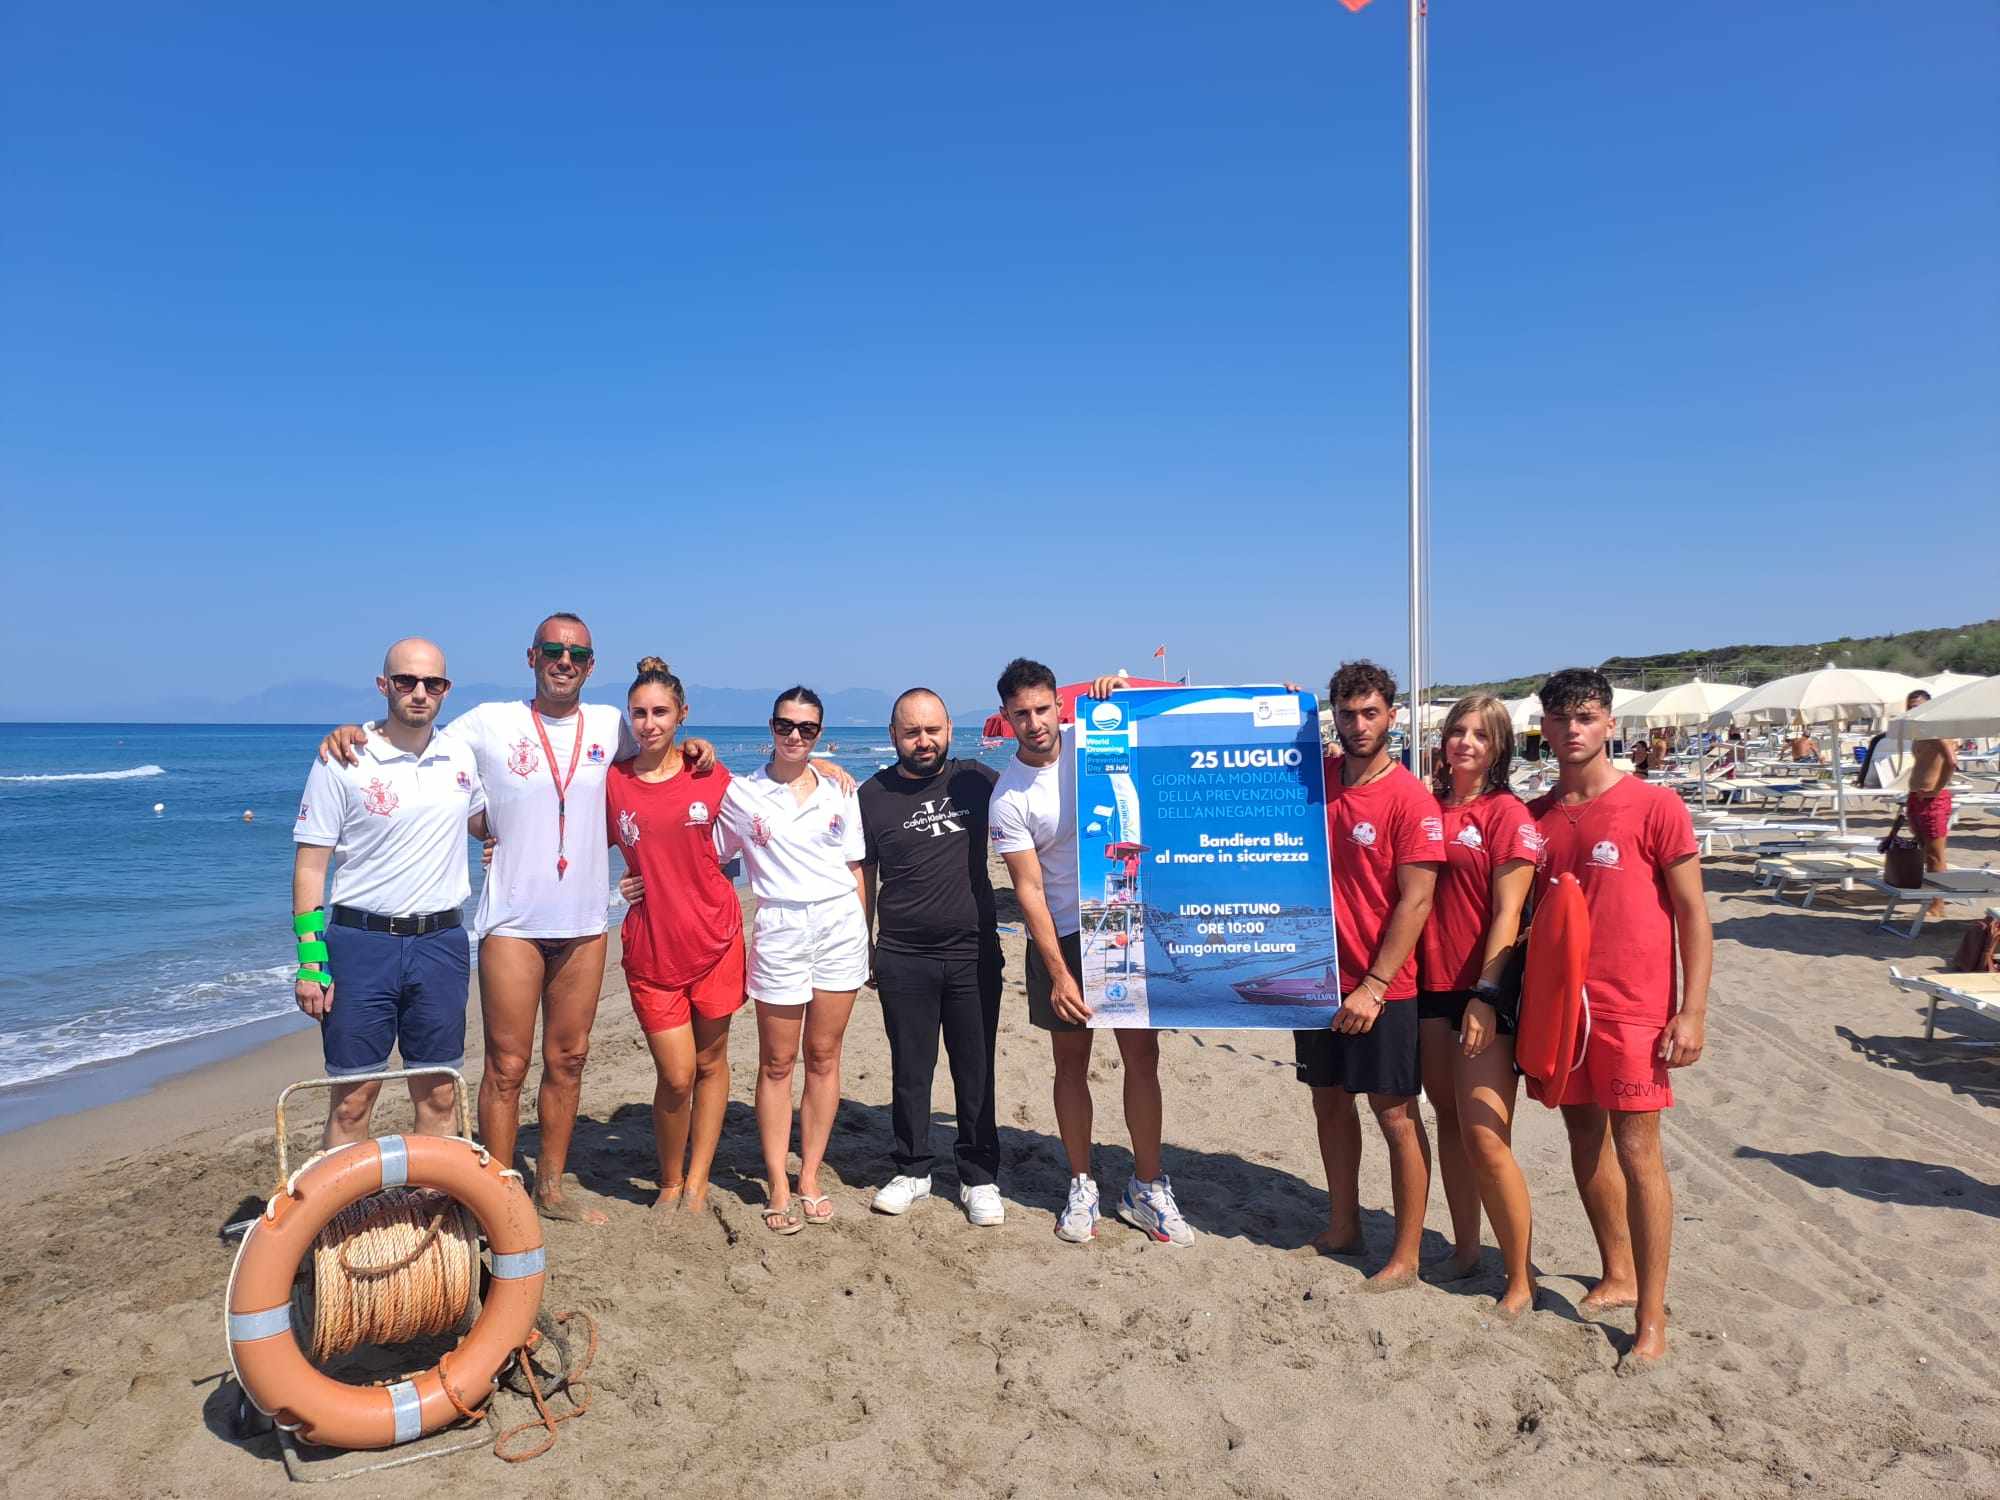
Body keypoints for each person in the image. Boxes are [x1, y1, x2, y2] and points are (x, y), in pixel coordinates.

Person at [317, 611, 723, 1224]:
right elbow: (414, 737)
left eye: (578, 655)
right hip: (511, 921)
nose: (565, 661)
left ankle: (552, 1188)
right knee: (507, 1065)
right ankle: (500, 1193)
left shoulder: (613, 726)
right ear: (531, 658)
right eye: (552, 651)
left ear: (592, 666)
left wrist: (701, 748)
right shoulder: (488, 723)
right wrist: (357, 732)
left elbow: (661, 759)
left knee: (569, 1060)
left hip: (586, 922)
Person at [1530, 667, 1712, 1368]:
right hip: (1563, 1010)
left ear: (1610, 724)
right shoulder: (1538, 814)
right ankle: (1618, 1270)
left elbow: (1693, 914)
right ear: (1543, 729)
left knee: (1639, 1153)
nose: (1572, 729)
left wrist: (1691, 1010)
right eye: (1560, 718)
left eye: (1585, 716)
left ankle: (1651, 1315)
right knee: (1583, 1139)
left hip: (1634, 1010)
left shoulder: (1654, 805)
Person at [989, 658, 1192, 1247]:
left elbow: (1173, 744)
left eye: (1043, 709)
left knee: (1142, 1060)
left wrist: (1121, 700)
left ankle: (1148, 1185)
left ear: (1060, 705)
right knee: (1071, 1065)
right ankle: (1081, 1182)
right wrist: (1056, 973)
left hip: (1122, 921)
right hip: (1062, 937)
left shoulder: (1095, 738)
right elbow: (1026, 889)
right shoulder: (1009, 796)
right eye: (1021, 714)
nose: (1035, 723)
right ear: (1007, 718)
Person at [292, 639, 486, 1147]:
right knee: (354, 1100)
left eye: (432, 684)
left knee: (440, 1096)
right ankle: (348, 1220)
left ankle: (430, 1212)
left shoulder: (461, 755)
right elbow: (311, 866)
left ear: (446, 691)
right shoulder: (344, 758)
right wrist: (311, 959)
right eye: (406, 682)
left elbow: (489, 823)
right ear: (384, 686)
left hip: (441, 943)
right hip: (361, 945)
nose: (419, 693)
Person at [1304, 661, 1444, 1288]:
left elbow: (1416, 902)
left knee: (1395, 1116)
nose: (1357, 725)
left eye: (1369, 713)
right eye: (1345, 713)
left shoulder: (1411, 799)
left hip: (1385, 987)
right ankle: (1343, 1226)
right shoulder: (1321, 777)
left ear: (1392, 715)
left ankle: (1407, 1255)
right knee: (1329, 1106)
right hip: (1315, 980)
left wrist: (1375, 986)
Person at [714, 687, 869, 1234]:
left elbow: (855, 869)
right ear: (771, 727)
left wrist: (865, 935)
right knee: (777, 1063)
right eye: (786, 726)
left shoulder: (840, 790)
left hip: (838, 927)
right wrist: (638, 877)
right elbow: (707, 852)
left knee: (824, 1055)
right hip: (778, 926)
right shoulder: (742, 793)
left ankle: (810, 1176)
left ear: (820, 733)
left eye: (807, 729)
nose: (795, 736)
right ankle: (778, 1180)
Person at [858, 688, 1006, 1227]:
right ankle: (913, 1168)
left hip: (973, 953)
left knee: (976, 1069)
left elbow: (1047, 775)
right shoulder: (870, 795)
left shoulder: (979, 782)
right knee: (910, 1069)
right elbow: (864, 875)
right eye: (911, 731)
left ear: (949, 729)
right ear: (893, 735)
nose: (924, 741)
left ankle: (979, 1175)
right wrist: (866, 942)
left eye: (933, 730)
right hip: (902, 955)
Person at [1414, 694, 1540, 1318]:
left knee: (1488, 1137)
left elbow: (1510, 915)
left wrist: (1486, 996)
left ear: (1498, 748)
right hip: (1426, 985)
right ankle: (1465, 1249)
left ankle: (1519, 1277)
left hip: (1482, 990)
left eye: (1480, 735)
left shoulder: (1506, 814)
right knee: (1451, 1125)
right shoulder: (1428, 806)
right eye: (1457, 731)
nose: (1465, 743)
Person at [605, 657, 742, 1220]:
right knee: (677, 1073)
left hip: (715, 938)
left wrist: (827, 772)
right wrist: (491, 839)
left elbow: (772, 805)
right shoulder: (613, 781)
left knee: (712, 1063)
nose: (649, 723)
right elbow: (567, 842)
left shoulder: (710, 773)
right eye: (639, 712)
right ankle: (667, 1178)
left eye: (661, 712)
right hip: (652, 949)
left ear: (682, 715)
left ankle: (698, 1180)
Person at [1903, 689, 1958, 919]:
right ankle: (1931, 899)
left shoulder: (1938, 732)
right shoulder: (1919, 732)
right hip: (1916, 797)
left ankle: (1938, 905)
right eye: (1910, 706)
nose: (1913, 709)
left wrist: (1937, 788)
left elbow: (1952, 761)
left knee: (1935, 854)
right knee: (1922, 850)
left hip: (1933, 798)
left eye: (1917, 705)